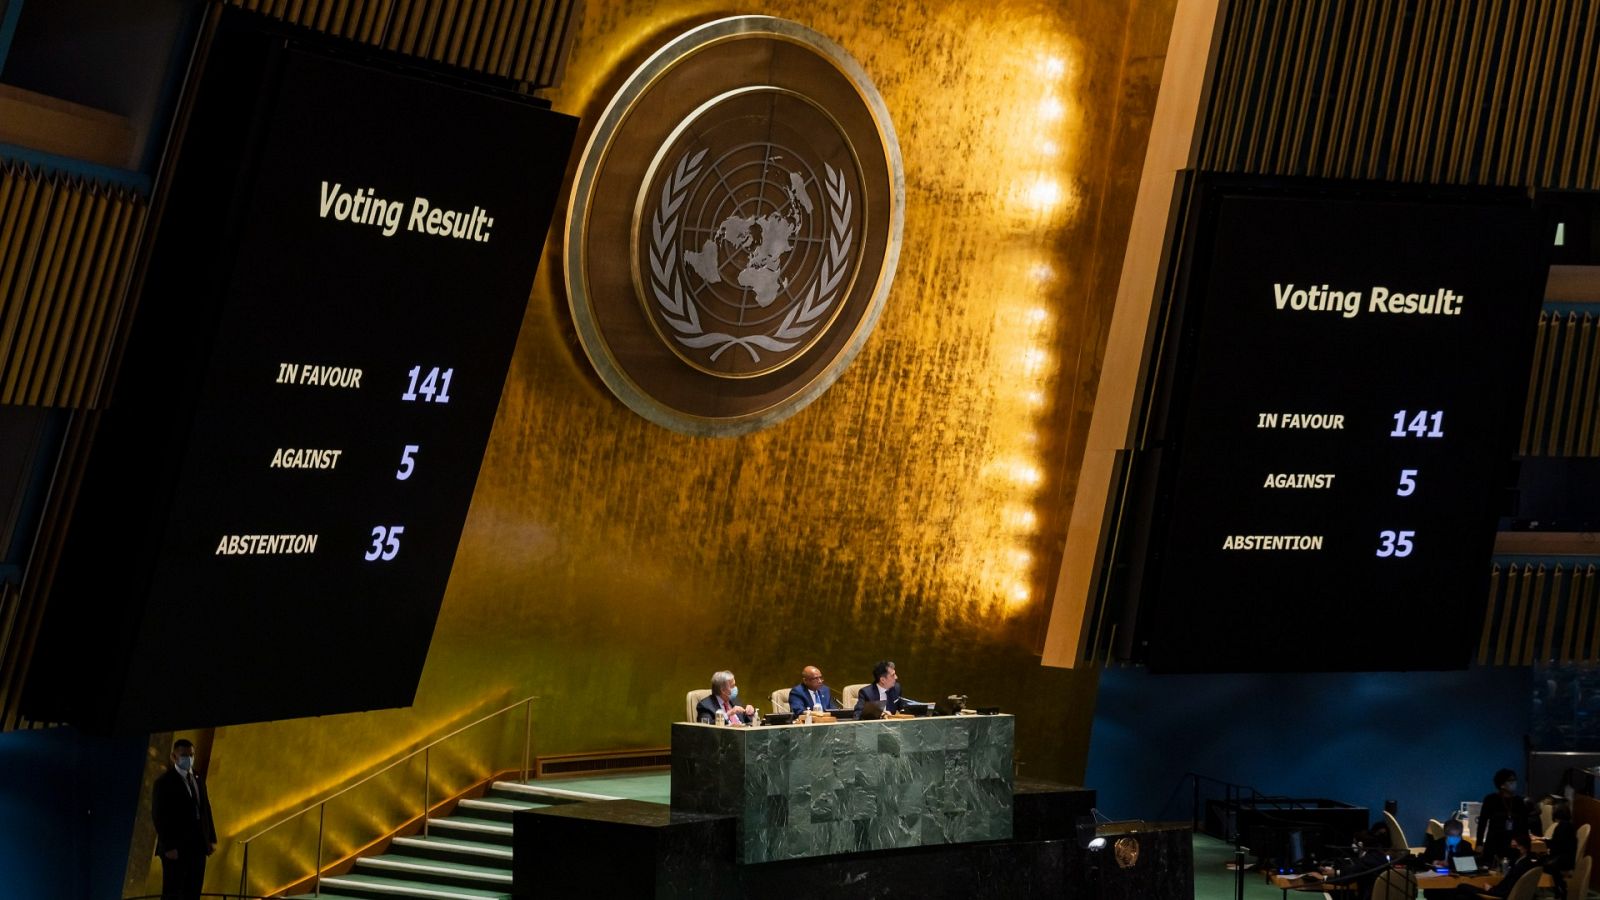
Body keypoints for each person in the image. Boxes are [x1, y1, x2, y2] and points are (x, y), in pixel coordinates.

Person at [151, 738, 217, 900]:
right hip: (176, 848)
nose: (189, 758)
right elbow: (159, 816)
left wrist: (211, 838)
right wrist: (169, 846)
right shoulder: (164, 782)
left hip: (198, 845)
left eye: (191, 755)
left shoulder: (197, 778)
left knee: (193, 890)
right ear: (174, 756)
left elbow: (205, 809)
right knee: (173, 891)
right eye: (184, 755)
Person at [1477, 769, 1532, 865]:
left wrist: (1526, 845)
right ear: (1502, 784)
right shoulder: (1491, 799)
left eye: (1515, 780)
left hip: (1513, 842)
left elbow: (1524, 824)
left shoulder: (1519, 801)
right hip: (1494, 840)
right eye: (1510, 780)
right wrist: (1479, 843)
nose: (1514, 783)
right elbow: (1482, 822)